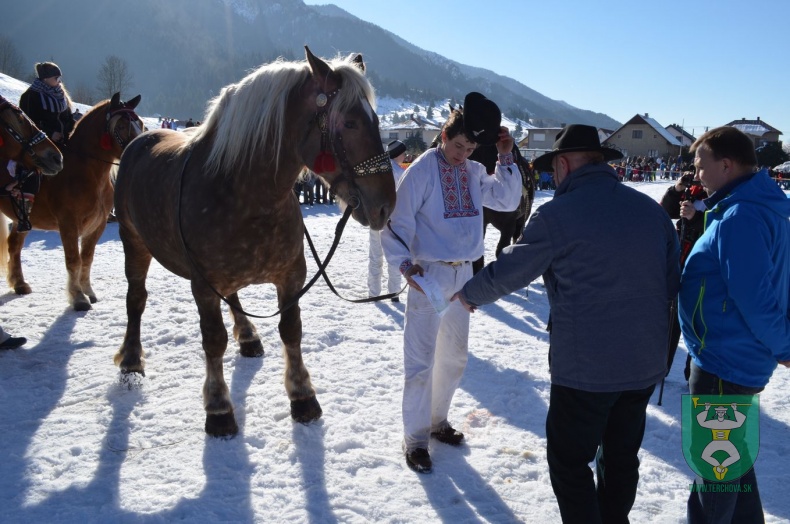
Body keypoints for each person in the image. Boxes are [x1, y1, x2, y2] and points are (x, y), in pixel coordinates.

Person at [454, 124, 680, 523]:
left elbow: (513, 269)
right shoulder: (651, 211)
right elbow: (671, 281)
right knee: (622, 456)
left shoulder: (558, 214)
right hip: (644, 363)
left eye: (553, 171)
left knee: (570, 462)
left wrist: (469, 294)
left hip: (586, 369)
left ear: (562, 164)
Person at [381, 92, 521, 474]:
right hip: (430, 275)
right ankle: (414, 439)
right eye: (459, 145)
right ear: (444, 136)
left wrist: (505, 154)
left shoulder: (475, 172)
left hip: (464, 275)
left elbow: (508, 201)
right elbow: (397, 223)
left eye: (471, 147)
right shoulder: (423, 169)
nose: (463, 153)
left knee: (455, 357)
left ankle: (437, 421)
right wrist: (405, 267)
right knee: (421, 361)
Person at [679, 126, 790, 523]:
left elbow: (757, 298)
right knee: (732, 462)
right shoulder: (758, 206)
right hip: (735, 356)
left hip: (726, 362)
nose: (697, 174)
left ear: (726, 165)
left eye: (701, 165)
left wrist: (785, 347)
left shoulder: (741, 216)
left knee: (716, 473)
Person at [659, 170, 708, 382]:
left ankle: (694, 376)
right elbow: (665, 212)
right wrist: (677, 189)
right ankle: (661, 368)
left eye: (701, 168)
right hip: (680, 259)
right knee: (670, 320)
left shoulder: (724, 195)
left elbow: (722, 226)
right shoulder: (693, 191)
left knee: (698, 324)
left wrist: (695, 218)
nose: (697, 174)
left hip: (704, 269)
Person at [16, 61, 75, 231]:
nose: (59, 80)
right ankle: (24, 212)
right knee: (31, 171)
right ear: (45, 79)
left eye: (59, 77)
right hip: (38, 144)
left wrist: (70, 132)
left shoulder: (62, 95)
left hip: (62, 141)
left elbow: (68, 119)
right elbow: (28, 123)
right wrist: (49, 133)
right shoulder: (30, 97)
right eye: (56, 77)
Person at [367, 140, 407, 301]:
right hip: (393, 221)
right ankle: (394, 293)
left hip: (375, 219)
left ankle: (373, 293)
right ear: (398, 153)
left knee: (375, 256)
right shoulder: (399, 172)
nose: (405, 155)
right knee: (394, 256)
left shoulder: (376, 170)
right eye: (403, 152)